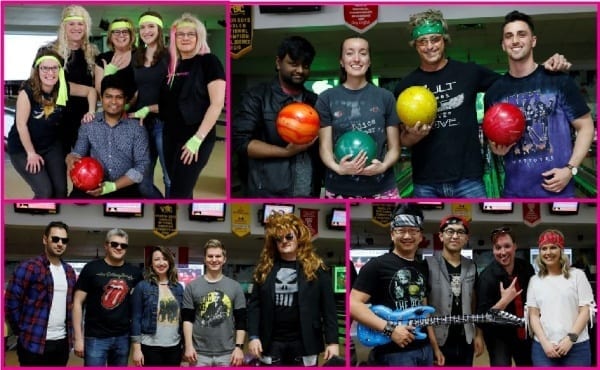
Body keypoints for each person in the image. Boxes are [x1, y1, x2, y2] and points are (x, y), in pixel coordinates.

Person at [393, 9, 570, 198]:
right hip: (425, 181)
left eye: (435, 39)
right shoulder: (405, 87)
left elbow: (514, 81)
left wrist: (545, 69)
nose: (429, 46)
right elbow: (402, 139)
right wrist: (414, 136)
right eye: (422, 41)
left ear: (444, 39)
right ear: (415, 45)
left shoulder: (469, 72)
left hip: (468, 179)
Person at [484, 10, 594, 198]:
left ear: (533, 41)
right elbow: (493, 144)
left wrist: (570, 170)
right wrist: (497, 148)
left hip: (559, 192)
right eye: (509, 36)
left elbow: (586, 128)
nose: (515, 40)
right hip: (514, 192)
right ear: (503, 45)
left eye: (522, 34)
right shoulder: (495, 92)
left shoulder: (558, 81)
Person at [232, 36, 322, 198]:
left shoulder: (314, 101)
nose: (300, 70)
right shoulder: (256, 97)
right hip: (269, 193)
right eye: (293, 64)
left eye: (305, 65)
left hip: (309, 192)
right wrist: (285, 152)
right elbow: (241, 143)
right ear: (278, 63)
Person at [350, 203, 440, 366]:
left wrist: (434, 346)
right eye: (401, 230)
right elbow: (353, 305)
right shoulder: (376, 265)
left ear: (420, 236)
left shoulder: (423, 268)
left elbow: (424, 310)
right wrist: (390, 330)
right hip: (393, 353)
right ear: (392, 234)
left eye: (413, 231)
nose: (407, 236)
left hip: (424, 349)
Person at [248, 212, 339, 366]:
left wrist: (333, 342)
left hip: (305, 342)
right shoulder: (264, 270)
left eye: (288, 237)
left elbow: (328, 309)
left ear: (298, 236)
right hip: (271, 342)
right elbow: (254, 307)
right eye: (279, 239)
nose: (284, 241)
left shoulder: (316, 269)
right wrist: (253, 336)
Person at [316, 36, 401, 199]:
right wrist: (338, 168)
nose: (356, 59)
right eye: (349, 53)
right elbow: (325, 148)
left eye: (363, 53)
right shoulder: (326, 98)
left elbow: (395, 148)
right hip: (339, 188)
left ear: (369, 61)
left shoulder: (386, 97)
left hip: (382, 188)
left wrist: (383, 167)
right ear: (341, 61)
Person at [8, 48, 97, 198]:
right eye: (45, 68)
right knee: (45, 192)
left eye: (54, 68)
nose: (50, 73)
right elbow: (21, 125)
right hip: (23, 149)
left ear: (60, 69)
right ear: (38, 70)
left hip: (50, 145)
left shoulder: (64, 87)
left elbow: (91, 91)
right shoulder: (27, 90)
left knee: (61, 192)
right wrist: (31, 153)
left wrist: (92, 111)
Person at [159, 13, 225, 199]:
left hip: (196, 136)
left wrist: (197, 139)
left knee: (179, 191)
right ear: (174, 38)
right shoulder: (172, 67)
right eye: (181, 34)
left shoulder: (209, 62)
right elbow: (171, 104)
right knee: (179, 189)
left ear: (199, 37)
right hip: (170, 136)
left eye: (191, 34)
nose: (185, 38)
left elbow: (217, 103)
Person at [66, 74, 150, 198]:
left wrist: (113, 186)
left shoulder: (137, 128)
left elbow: (142, 166)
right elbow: (78, 153)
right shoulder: (89, 124)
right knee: (73, 207)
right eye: (108, 96)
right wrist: (70, 157)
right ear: (101, 98)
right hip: (92, 185)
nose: (114, 102)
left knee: (133, 214)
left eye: (119, 97)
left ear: (125, 99)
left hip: (123, 186)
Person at [5, 221, 77, 366]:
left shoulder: (69, 271)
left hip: (62, 342)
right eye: (55, 239)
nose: (60, 244)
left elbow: (71, 305)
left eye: (64, 240)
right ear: (45, 239)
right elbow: (11, 301)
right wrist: (22, 329)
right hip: (33, 341)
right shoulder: (29, 267)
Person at [72, 228, 143, 366]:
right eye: (114, 244)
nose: (119, 247)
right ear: (106, 245)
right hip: (95, 337)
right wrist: (78, 338)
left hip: (123, 337)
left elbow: (138, 307)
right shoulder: (91, 268)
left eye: (123, 245)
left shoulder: (135, 273)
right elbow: (77, 302)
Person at [527, 229, 595, 366]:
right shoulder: (535, 280)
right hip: (543, 349)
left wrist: (570, 339)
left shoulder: (577, 276)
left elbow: (585, 310)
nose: (548, 252)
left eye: (553, 247)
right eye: (544, 248)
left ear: (561, 250)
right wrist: (545, 343)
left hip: (577, 347)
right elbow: (533, 315)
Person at [425, 215, 484, 366]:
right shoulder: (427, 265)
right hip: (439, 339)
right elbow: (424, 310)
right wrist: (434, 346)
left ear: (466, 238)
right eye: (450, 231)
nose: (455, 236)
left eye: (460, 232)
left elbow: (474, 302)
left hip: (466, 338)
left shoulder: (471, 266)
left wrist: (478, 334)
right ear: (441, 236)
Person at [40, 5, 98, 154]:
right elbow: (37, 84)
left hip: (84, 119)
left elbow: (97, 89)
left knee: (87, 172)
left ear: (86, 27)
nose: (76, 28)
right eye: (71, 23)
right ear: (63, 26)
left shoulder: (92, 52)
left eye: (80, 23)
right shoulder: (48, 51)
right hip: (56, 119)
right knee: (58, 171)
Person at [181, 240, 246, 366]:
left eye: (218, 256)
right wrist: (188, 346)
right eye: (210, 256)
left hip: (228, 353)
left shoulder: (235, 287)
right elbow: (187, 320)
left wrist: (239, 347)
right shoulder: (192, 287)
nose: (214, 260)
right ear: (205, 259)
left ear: (224, 259)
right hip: (199, 354)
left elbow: (241, 321)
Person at [476, 226, 534, 366]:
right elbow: (482, 317)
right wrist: (504, 301)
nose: (502, 252)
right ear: (493, 250)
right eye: (498, 247)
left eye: (507, 246)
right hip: (498, 335)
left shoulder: (526, 268)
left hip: (524, 331)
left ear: (515, 246)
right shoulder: (486, 277)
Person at [130, 11, 171, 198]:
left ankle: (171, 210)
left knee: (170, 178)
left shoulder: (170, 56)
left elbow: (175, 97)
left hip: (164, 123)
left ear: (159, 29)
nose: (146, 31)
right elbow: (138, 90)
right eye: (143, 27)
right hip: (141, 126)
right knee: (143, 182)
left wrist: (149, 109)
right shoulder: (136, 57)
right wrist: (126, 108)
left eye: (151, 26)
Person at [131, 246, 184, 366]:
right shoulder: (142, 287)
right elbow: (136, 318)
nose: (161, 263)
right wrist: (137, 349)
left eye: (164, 259)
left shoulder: (178, 288)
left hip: (174, 346)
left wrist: (185, 345)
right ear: (151, 264)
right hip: (150, 346)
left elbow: (182, 318)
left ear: (169, 262)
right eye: (157, 259)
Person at [94, 17, 137, 102]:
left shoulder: (140, 56)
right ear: (110, 36)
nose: (121, 35)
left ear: (131, 35)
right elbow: (99, 92)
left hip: (138, 111)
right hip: (113, 111)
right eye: (116, 32)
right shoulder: (103, 59)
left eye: (125, 32)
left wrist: (129, 104)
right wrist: (107, 77)